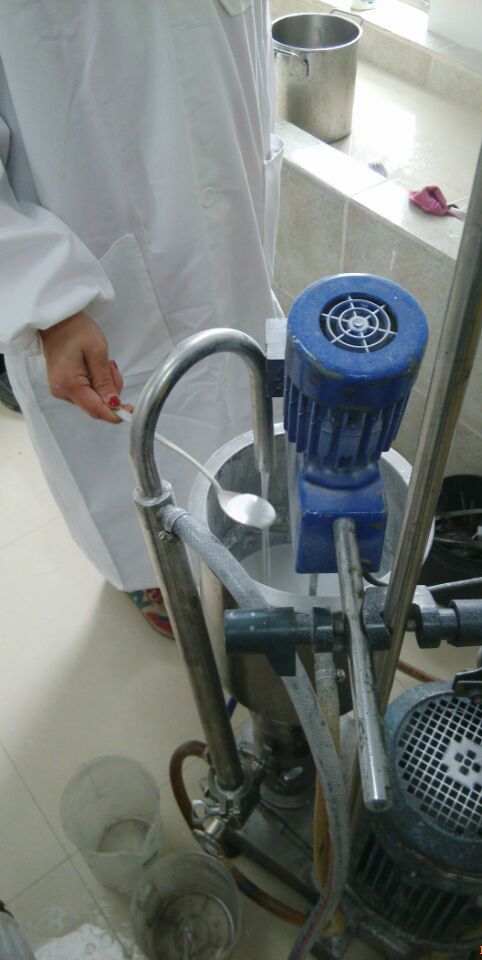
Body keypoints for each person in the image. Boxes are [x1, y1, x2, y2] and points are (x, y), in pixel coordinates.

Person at [0, 2, 283, 637]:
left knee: (240, 392)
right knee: (133, 443)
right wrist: (43, 293)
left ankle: (232, 537)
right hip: (82, 223)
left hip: (226, 160)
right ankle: (153, 573)